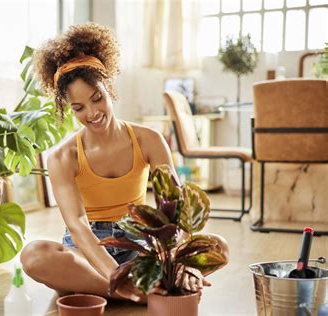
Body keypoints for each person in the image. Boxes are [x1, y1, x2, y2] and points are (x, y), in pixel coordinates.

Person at [20, 22, 228, 303]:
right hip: (87, 251)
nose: (92, 113)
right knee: (34, 255)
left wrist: (171, 259)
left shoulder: (149, 140)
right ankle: (138, 292)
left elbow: (174, 209)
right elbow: (78, 226)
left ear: (109, 87)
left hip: (138, 243)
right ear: (68, 108)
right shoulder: (62, 157)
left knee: (218, 246)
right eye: (78, 108)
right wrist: (115, 274)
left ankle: (101, 289)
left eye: (97, 98)